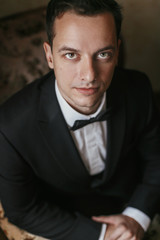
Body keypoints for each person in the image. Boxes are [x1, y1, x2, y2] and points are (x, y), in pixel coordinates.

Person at [0, 0, 160, 240]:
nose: (89, 75)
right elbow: (22, 209)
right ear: (49, 56)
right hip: (66, 220)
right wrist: (103, 234)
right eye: (71, 55)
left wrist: (136, 217)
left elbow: (156, 161)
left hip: (131, 199)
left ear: (117, 53)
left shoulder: (139, 89)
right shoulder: (9, 127)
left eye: (103, 54)